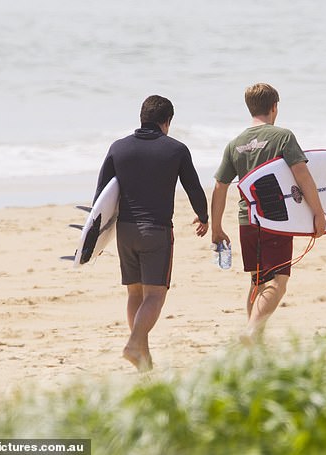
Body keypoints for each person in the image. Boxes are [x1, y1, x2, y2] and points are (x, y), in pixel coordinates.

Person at [93, 95, 209, 371]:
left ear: (142, 118)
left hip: (125, 232)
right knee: (155, 295)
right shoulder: (176, 149)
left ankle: (142, 355)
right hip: (156, 232)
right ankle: (134, 343)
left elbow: (101, 195)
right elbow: (194, 188)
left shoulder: (118, 148)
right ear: (167, 122)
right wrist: (203, 217)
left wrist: (96, 236)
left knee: (135, 294)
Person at [211, 83, 326, 343]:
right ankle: (252, 332)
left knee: (258, 281)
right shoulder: (282, 137)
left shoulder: (235, 144)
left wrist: (217, 228)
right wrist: (318, 212)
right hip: (276, 218)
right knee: (278, 281)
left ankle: (255, 343)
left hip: (247, 220)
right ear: (274, 107)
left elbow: (220, 186)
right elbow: (302, 175)